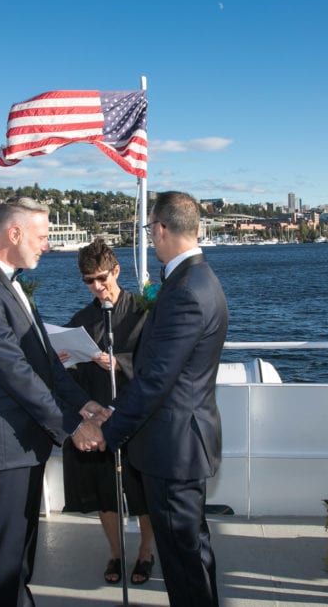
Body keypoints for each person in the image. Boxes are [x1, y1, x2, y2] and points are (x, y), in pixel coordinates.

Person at [74, 191, 229, 607]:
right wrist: (115, 413)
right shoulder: (193, 280)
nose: (151, 237)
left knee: (185, 561)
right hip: (177, 441)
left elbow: (157, 378)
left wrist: (111, 429)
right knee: (190, 553)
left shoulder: (186, 290)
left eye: (150, 229)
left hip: (173, 447)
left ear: (160, 229)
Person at [0, 197, 106, 607]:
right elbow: (15, 373)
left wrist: (86, 405)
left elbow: (45, 362)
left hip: (23, 445)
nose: (47, 245)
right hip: (2, 447)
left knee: (19, 559)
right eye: (42, 236)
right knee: (3, 564)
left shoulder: (7, 281)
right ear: (14, 233)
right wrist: (72, 426)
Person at [56, 238, 155, 585]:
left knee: (142, 491)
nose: (97, 287)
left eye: (102, 278)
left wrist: (119, 363)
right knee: (104, 492)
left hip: (135, 417)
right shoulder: (83, 319)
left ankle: (145, 551)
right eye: (88, 281)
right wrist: (62, 361)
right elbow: (71, 375)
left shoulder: (143, 311)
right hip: (97, 419)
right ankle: (115, 552)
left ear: (116, 271)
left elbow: (156, 364)